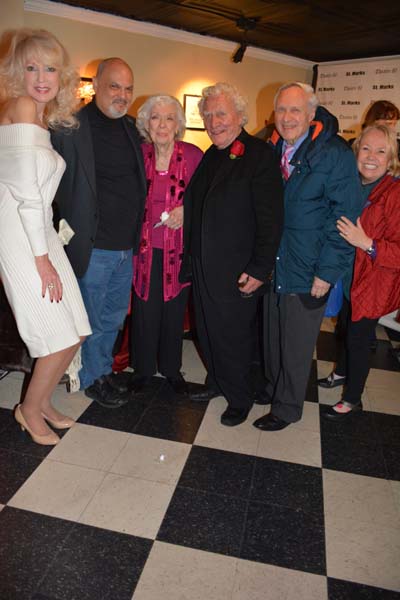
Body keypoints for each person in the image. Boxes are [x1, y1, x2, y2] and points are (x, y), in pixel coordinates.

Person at [253, 82, 363, 432]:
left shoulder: (334, 154)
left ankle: (286, 408)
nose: (287, 118)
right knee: (272, 338)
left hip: (309, 266)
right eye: (281, 110)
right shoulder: (271, 147)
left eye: (295, 110)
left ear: (312, 114)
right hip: (273, 263)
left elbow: (343, 219)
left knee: (296, 345)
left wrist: (327, 273)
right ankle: (273, 388)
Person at [0, 28, 91, 445]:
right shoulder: (19, 105)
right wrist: (41, 259)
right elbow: (24, 194)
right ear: (18, 72)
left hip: (39, 232)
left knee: (77, 330)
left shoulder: (39, 116)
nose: (41, 76)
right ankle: (29, 410)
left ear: (61, 76)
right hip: (20, 236)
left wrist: (49, 248)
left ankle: (42, 402)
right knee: (55, 337)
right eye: (31, 67)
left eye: (50, 68)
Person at [180, 82, 284, 427]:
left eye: (220, 113)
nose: (213, 121)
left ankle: (239, 397)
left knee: (235, 336)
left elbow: (271, 219)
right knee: (209, 331)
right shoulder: (213, 153)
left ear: (240, 116)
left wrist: (259, 268)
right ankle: (218, 381)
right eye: (208, 115)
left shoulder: (259, 154)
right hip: (205, 265)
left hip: (238, 268)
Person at [52, 57, 146, 408]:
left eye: (128, 89)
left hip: (126, 247)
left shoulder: (132, 128)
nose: (122, 95)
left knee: (112, 316)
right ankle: (91, 378)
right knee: (89, 318)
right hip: (92, 247)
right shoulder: (69, 127)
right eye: (114, 86)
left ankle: (102, 369)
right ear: (96, 86)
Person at [320, 125, 400, 419]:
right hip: (349, 277)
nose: (371, 157)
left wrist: (367, 243)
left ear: (391, 157)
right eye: (365, 148)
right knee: (344, 329)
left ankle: (353, 398)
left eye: (381, 151)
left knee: (358, 339)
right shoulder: (351, 183)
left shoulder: (395, 192)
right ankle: (341, 373)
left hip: (374, 282)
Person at [129, 95, 202, 394]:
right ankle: (143, 369)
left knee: (174, 310)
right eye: (156, 117)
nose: (162, 124)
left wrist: (187, 210)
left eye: (169, 118)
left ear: (178, 124)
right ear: (147, 123)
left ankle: (172, 369)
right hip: (144, 249)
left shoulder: (194, 155)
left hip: (179, 250)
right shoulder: (139, 153)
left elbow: (210, 195)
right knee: (145, 310)